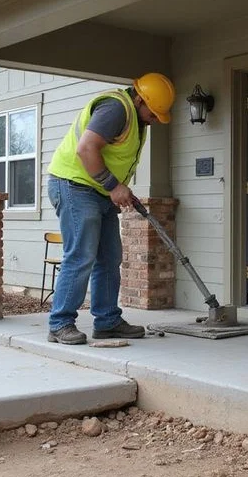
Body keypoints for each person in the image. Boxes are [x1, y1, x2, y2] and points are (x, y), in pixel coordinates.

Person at [46, 73, 176, 345]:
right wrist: (114, 186)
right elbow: (85, 149)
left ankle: (107, 321)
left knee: (109, 257)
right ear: (139, 99)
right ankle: (60, 324)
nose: (154, 119)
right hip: (74, 185)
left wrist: (113, 187)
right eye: (153, 113)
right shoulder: (115, 109)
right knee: (81, 255)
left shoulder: (136, 118)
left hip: (98, 189)